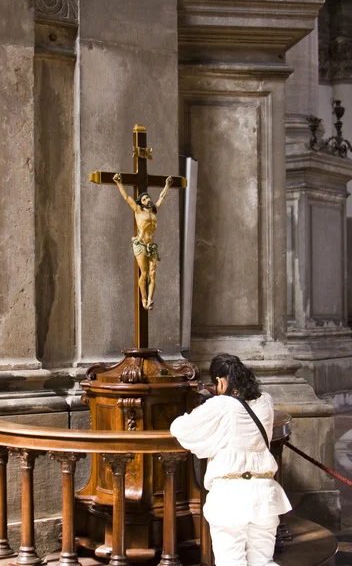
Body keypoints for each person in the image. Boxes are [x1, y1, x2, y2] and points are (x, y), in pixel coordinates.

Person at [170, 353, 292, 566]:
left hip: (230, 495)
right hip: (265, 493)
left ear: (220, 380)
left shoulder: (221, 406)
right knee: (263, 562)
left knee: (231, 561)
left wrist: (200, 408)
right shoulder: (265, 401)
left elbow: (179, 428)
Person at [112, 173, 173, 310]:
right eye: (144, 199)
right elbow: (127, 198)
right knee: (144, 273)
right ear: (141, 202)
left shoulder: (153, 212)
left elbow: (162, 197)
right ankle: (143, 299)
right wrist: (119, 183)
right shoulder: (138, 211)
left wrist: (167, 185)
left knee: (153, 273)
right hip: (141, 245)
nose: (147, 199)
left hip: (152, 246)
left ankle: (150, 299)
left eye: (148, 197)